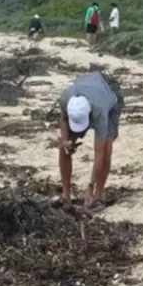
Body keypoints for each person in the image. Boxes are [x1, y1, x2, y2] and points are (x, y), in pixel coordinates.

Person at [57, 70, 123, 209]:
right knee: (63, 148)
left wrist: (90, 187)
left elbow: (99, 153)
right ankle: (66, 194)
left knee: (107, 149)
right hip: (89, 86)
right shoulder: (65, 99)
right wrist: (65, 140)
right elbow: (63, 119)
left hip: (109, 98)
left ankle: (98, 195)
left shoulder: (100, 110)